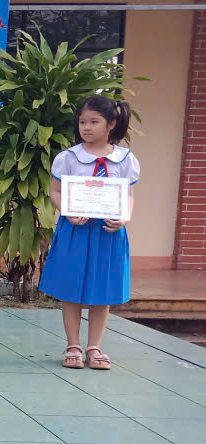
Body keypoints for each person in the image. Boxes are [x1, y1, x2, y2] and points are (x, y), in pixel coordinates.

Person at [38, 95, 139, 370]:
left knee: (102, 290)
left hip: (108, 232)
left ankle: (94, 347)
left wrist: (125, 218)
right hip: (76, 230)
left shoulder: (125, 159)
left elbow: (128, 196)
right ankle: (73, 345)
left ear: (111, 124)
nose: (86, 127)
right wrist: (67, 210)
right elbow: (55, 192)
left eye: (94, 122)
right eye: (82, 122)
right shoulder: (68, 157)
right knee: (71, 289)